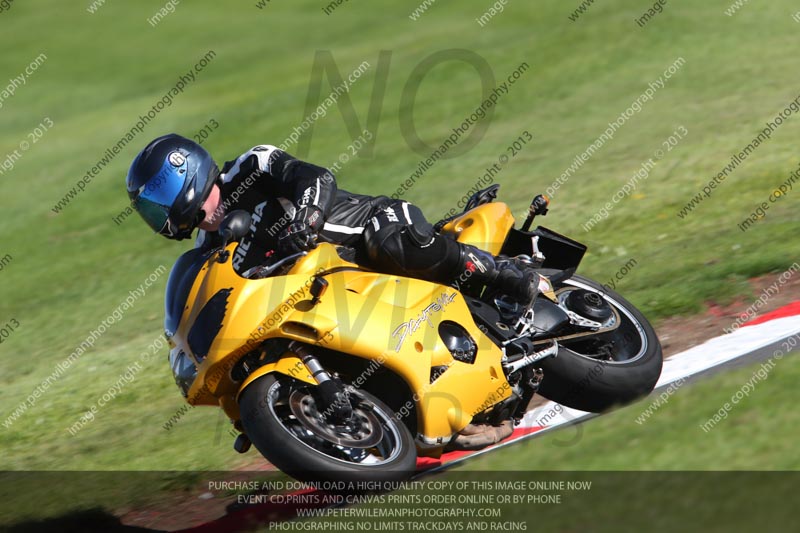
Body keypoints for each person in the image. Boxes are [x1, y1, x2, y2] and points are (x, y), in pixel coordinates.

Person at [126, 133, 539, 305]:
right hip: (338, 290)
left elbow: (315, 177)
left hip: (373, 227)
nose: (160, 214)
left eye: (158, 199)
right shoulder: (210, 256)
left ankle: (502, 271)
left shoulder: (252, 166)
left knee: (392, 246)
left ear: (185, 173)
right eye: (150, 210)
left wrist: (306, 217)